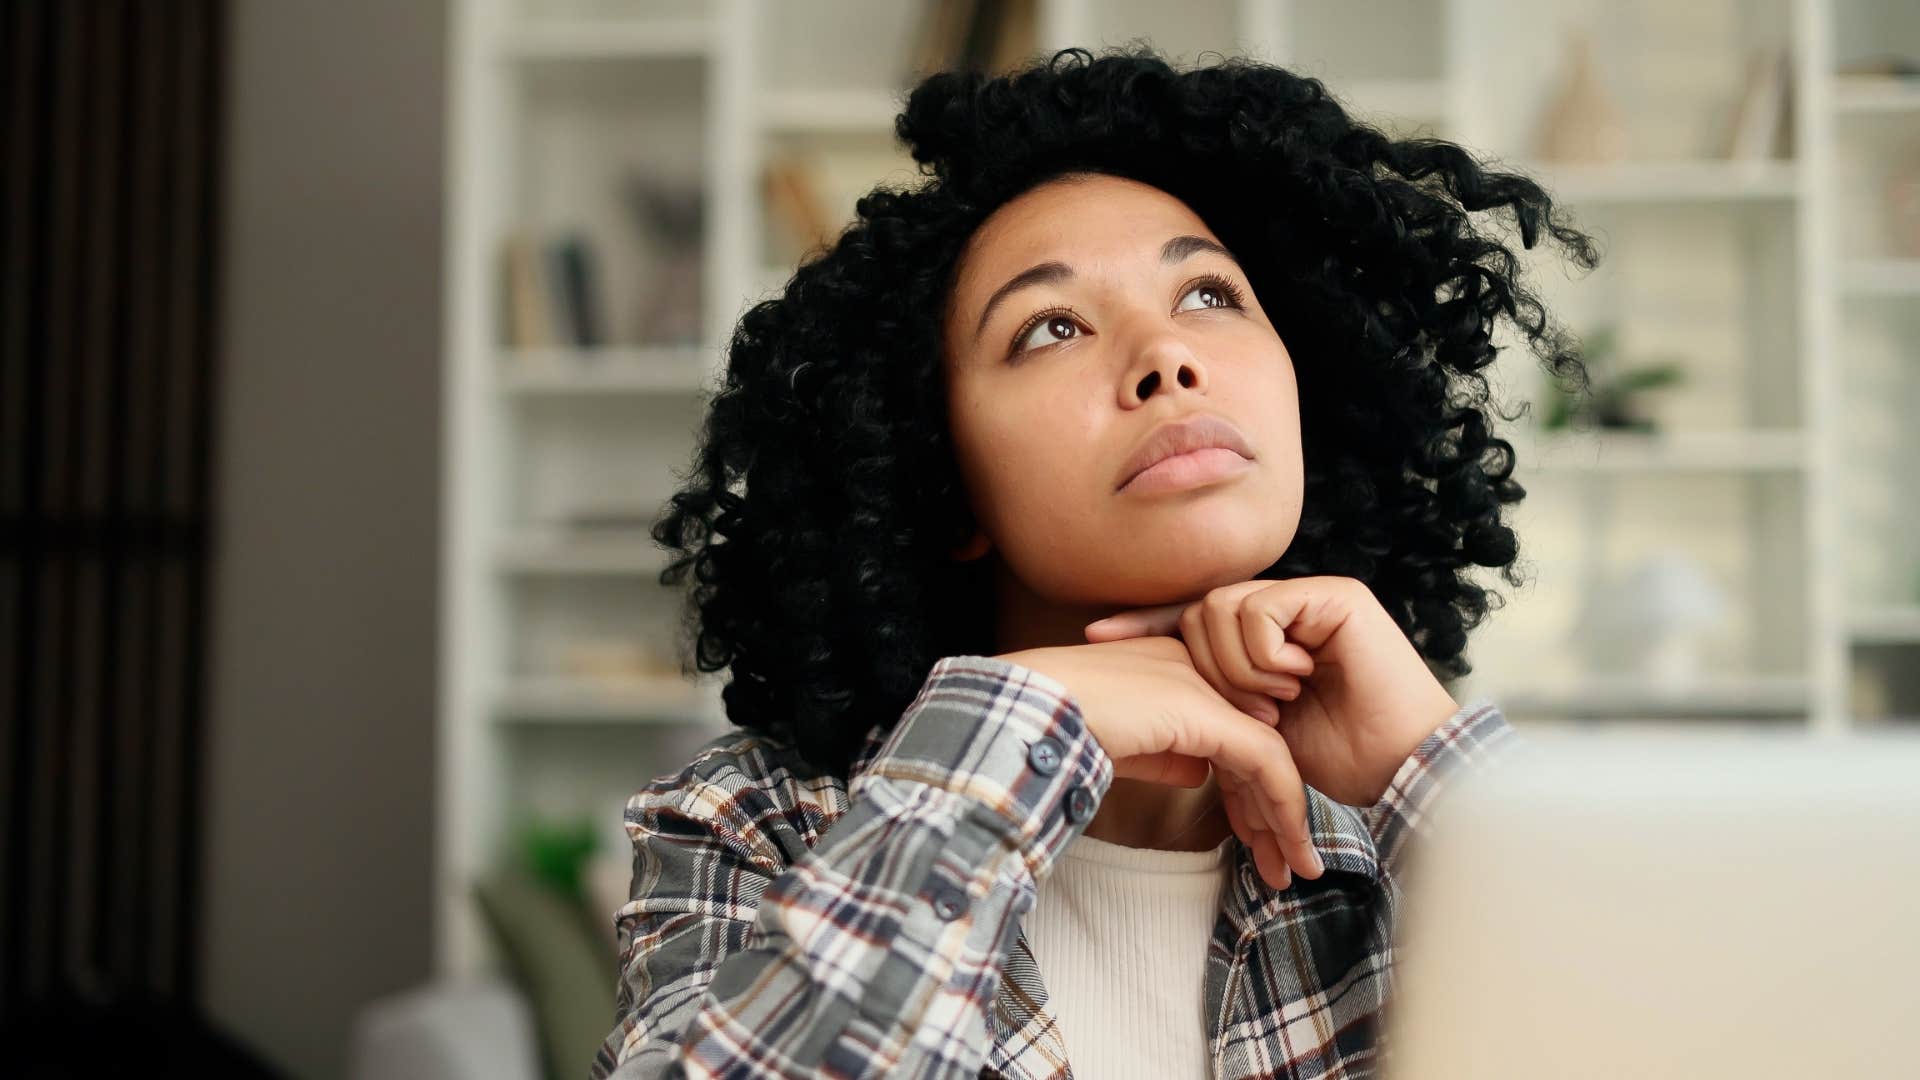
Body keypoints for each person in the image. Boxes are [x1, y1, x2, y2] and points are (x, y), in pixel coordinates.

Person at [590, 45, 1599, 1080]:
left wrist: (1438, 781)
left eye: (1208, 294)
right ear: (943, 480)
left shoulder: (1409, 840)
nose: (1168, 357)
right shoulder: (756, 825)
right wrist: (1014, 738)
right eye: (1052, 327)